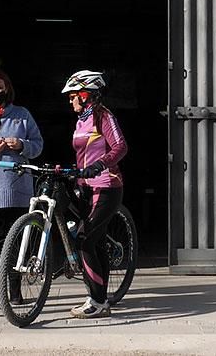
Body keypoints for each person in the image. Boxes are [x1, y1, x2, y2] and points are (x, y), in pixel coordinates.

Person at [61, 69, 128, 319]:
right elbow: (83, 153)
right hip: (86, 186)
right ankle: (100, 296)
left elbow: (120, 146)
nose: (70, 101)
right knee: (96, 240)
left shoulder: (103, 116)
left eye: (72, 96)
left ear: (86, 95)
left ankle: (97, 301)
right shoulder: (81, 120)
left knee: (85, 240)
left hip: (107, 185)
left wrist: (101, 164)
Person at [0, 69, 44, 306]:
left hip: (18, 189)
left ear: (8, 88)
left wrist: (22, 145)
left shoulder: (22, 115)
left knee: (17, 240)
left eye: (0, 87)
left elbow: (38, 146)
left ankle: (15, 291)